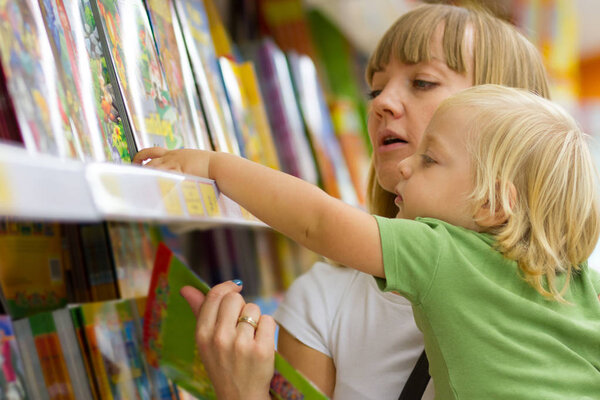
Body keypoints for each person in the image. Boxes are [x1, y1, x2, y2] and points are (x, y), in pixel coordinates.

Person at [135, 4, 555, 399]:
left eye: (422, 82)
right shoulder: (323, 300)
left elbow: (315, 219)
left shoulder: (562, 295)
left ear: (508, 119)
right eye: (374, 90)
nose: (382, 105)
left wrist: (214, 165)